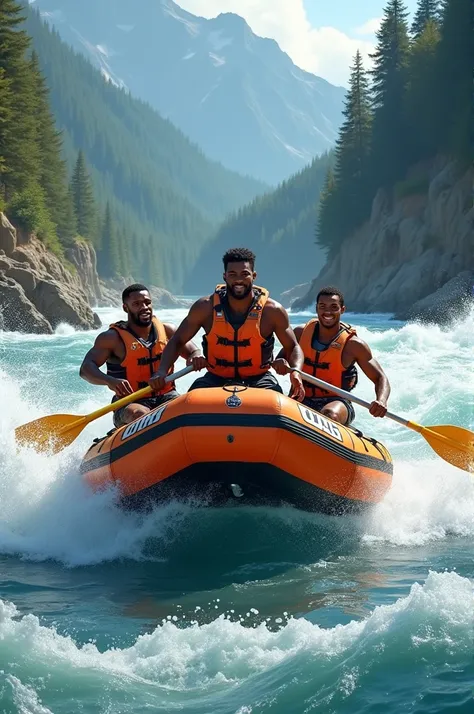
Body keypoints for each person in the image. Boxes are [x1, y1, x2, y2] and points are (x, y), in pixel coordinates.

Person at [149, 248, 305, 400]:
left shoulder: (273, 311)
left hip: (259, 380)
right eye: (232, 274)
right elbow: (177, 340)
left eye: (245, 274)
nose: (238, 279)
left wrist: (295, 371)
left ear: (254, 276)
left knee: (275, 405)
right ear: (224, 276)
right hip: (215, 378)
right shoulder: (204, 307)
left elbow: (293, 347)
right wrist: (162, 371)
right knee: (191, 402)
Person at [79, 283, 201, 427]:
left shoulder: (168, 330)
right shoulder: (112, 338)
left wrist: (195, 356)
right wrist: (109, 381)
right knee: (142, 415)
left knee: (191, 407)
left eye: (147, 302)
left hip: (167, 396)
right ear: (126, 308)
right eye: (137, 304)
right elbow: (85, 369)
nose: (144, 307)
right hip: (129, 403)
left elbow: (193, 351)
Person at [273, 286, 391, 425]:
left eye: (334, 307)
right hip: (301, 397)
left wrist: (381, 400)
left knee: (329, 414)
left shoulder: (353, 345)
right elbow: (280, 360)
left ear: (342, 309)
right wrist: (279, 363)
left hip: (336, 402)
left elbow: (380, 378)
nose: (328, 311)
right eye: (322, 306)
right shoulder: (300, 333)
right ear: (316, 308)